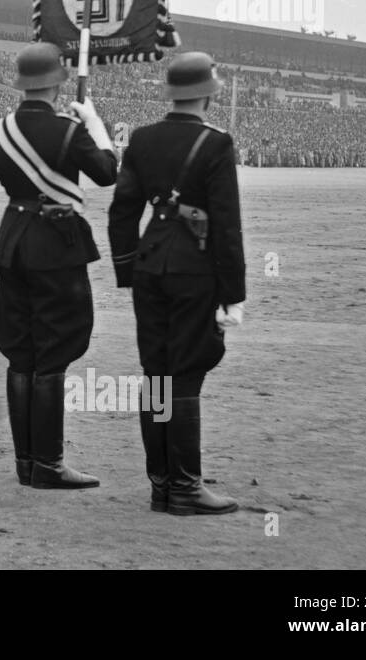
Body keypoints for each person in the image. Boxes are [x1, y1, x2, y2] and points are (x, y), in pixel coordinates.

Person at [109, 51, 246, 516]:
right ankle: (186, 487)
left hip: (149, 266)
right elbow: (227, 224)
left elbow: (122, 211)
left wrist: (127, 269)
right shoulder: (216, 143)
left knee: (158, 374)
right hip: (193, 269)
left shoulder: (143, 140)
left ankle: (162, 483)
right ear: (208, 94)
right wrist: (233, 295)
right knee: (184, 373)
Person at [0, 43, 118, 488]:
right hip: (57, 245)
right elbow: (106, 172)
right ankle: (48, 464)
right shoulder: (68, 130)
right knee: (54, 354)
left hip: (14, 241)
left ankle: (26, 463)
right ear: (58, 85)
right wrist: (94, 126)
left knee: (20, 353)